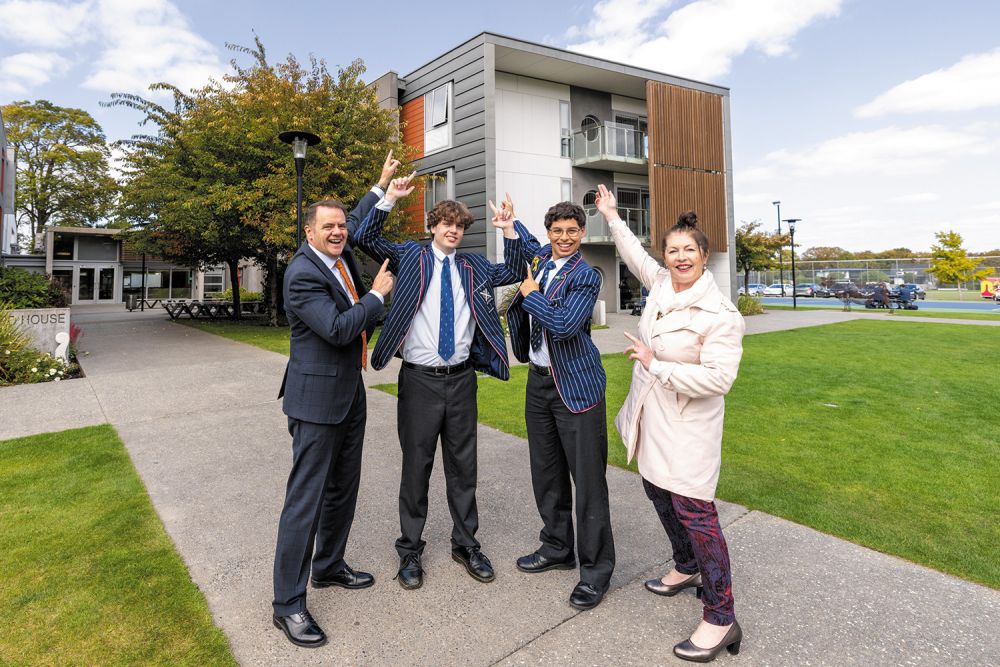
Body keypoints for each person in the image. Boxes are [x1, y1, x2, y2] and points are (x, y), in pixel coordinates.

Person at [594, 184, 745, 662]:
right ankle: (685, 566)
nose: (680, 258)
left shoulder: (720, 314)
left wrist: (654, 363)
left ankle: (721, 617)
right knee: (656, 491)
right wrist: (613, 216)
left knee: (697, 514)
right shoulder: (660, 284)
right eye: (672, 250)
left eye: (689, 250)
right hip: (652, 416)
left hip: (688, 427)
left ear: (704, 255)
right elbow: (633, 253)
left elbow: (719, 379)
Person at [354, 179, 526, 590]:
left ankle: (466, 544)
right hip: (419, 382)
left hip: (462, 381)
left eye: (459, 226)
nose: (453, 230)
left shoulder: (472, 266)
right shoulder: (410, 256)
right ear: (433, 226)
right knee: (417, 468)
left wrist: (509, 231)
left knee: (463, 468)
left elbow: (517, 273)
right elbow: (365, 236)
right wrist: (390, 197)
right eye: (446, 223)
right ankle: (410, 551)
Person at [272, 152, 401, 649]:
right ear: (309, 232)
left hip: (349, 396)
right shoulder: (302, 274)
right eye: (327, 226)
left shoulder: (339, 253)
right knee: (304, 502)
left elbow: (357, 215)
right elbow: (339, 328)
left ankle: (328, 567)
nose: (338, 232)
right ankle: (288, 605)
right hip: (315, 403)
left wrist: (381, 185)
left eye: (342, 225)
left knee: (343, 489)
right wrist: (376, 296)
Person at [504, 194, 615, 611]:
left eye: (572, 231)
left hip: (577, 388)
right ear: (550, 234)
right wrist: (511, 224)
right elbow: (525, 244)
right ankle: (556, 547)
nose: (565, 238)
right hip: (538, 383)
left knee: (587, 483)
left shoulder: (586, 276)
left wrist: (531, 295)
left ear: (582, 234)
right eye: (558, 231)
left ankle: (596, 573)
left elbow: (567, 325)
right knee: (546, 473)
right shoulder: (540, 259)